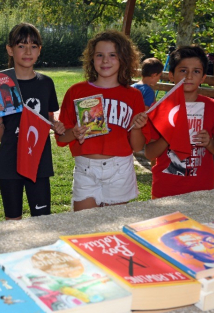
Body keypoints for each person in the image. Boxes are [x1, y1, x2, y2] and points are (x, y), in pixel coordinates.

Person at [57, 30, 148, 211]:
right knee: (85, 224)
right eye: (99, 55)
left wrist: (137, 128)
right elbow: (61, 139)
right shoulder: (76, 91)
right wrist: (74, 132)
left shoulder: (134, 95)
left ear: (123, 58)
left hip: (120, 169)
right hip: (86, 169)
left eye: (112, 55)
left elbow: (137, 146)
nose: (105, 60)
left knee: (113, 224)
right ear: (92, 59)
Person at [0, 23, 65, 221]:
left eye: (33, 46)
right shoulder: (0, 85)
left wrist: (55, 125)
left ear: (39, 50)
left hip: (39, 161)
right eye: (21, 46)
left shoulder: (46, 83)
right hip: (9, 163)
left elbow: (48, 118)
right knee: (13, 223)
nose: (28, 51)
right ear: (10, 49)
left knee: (42, 221)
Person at [145, 46, 214, 199]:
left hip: (201, 189)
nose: (189, 76)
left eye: (196, 71)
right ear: (171, 75)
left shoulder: (213, 107)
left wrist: (209, 143)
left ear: (203, 77)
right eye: (183, 70)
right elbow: (150, 154)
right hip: (165, 189)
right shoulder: (160, 109)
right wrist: (169, 135)